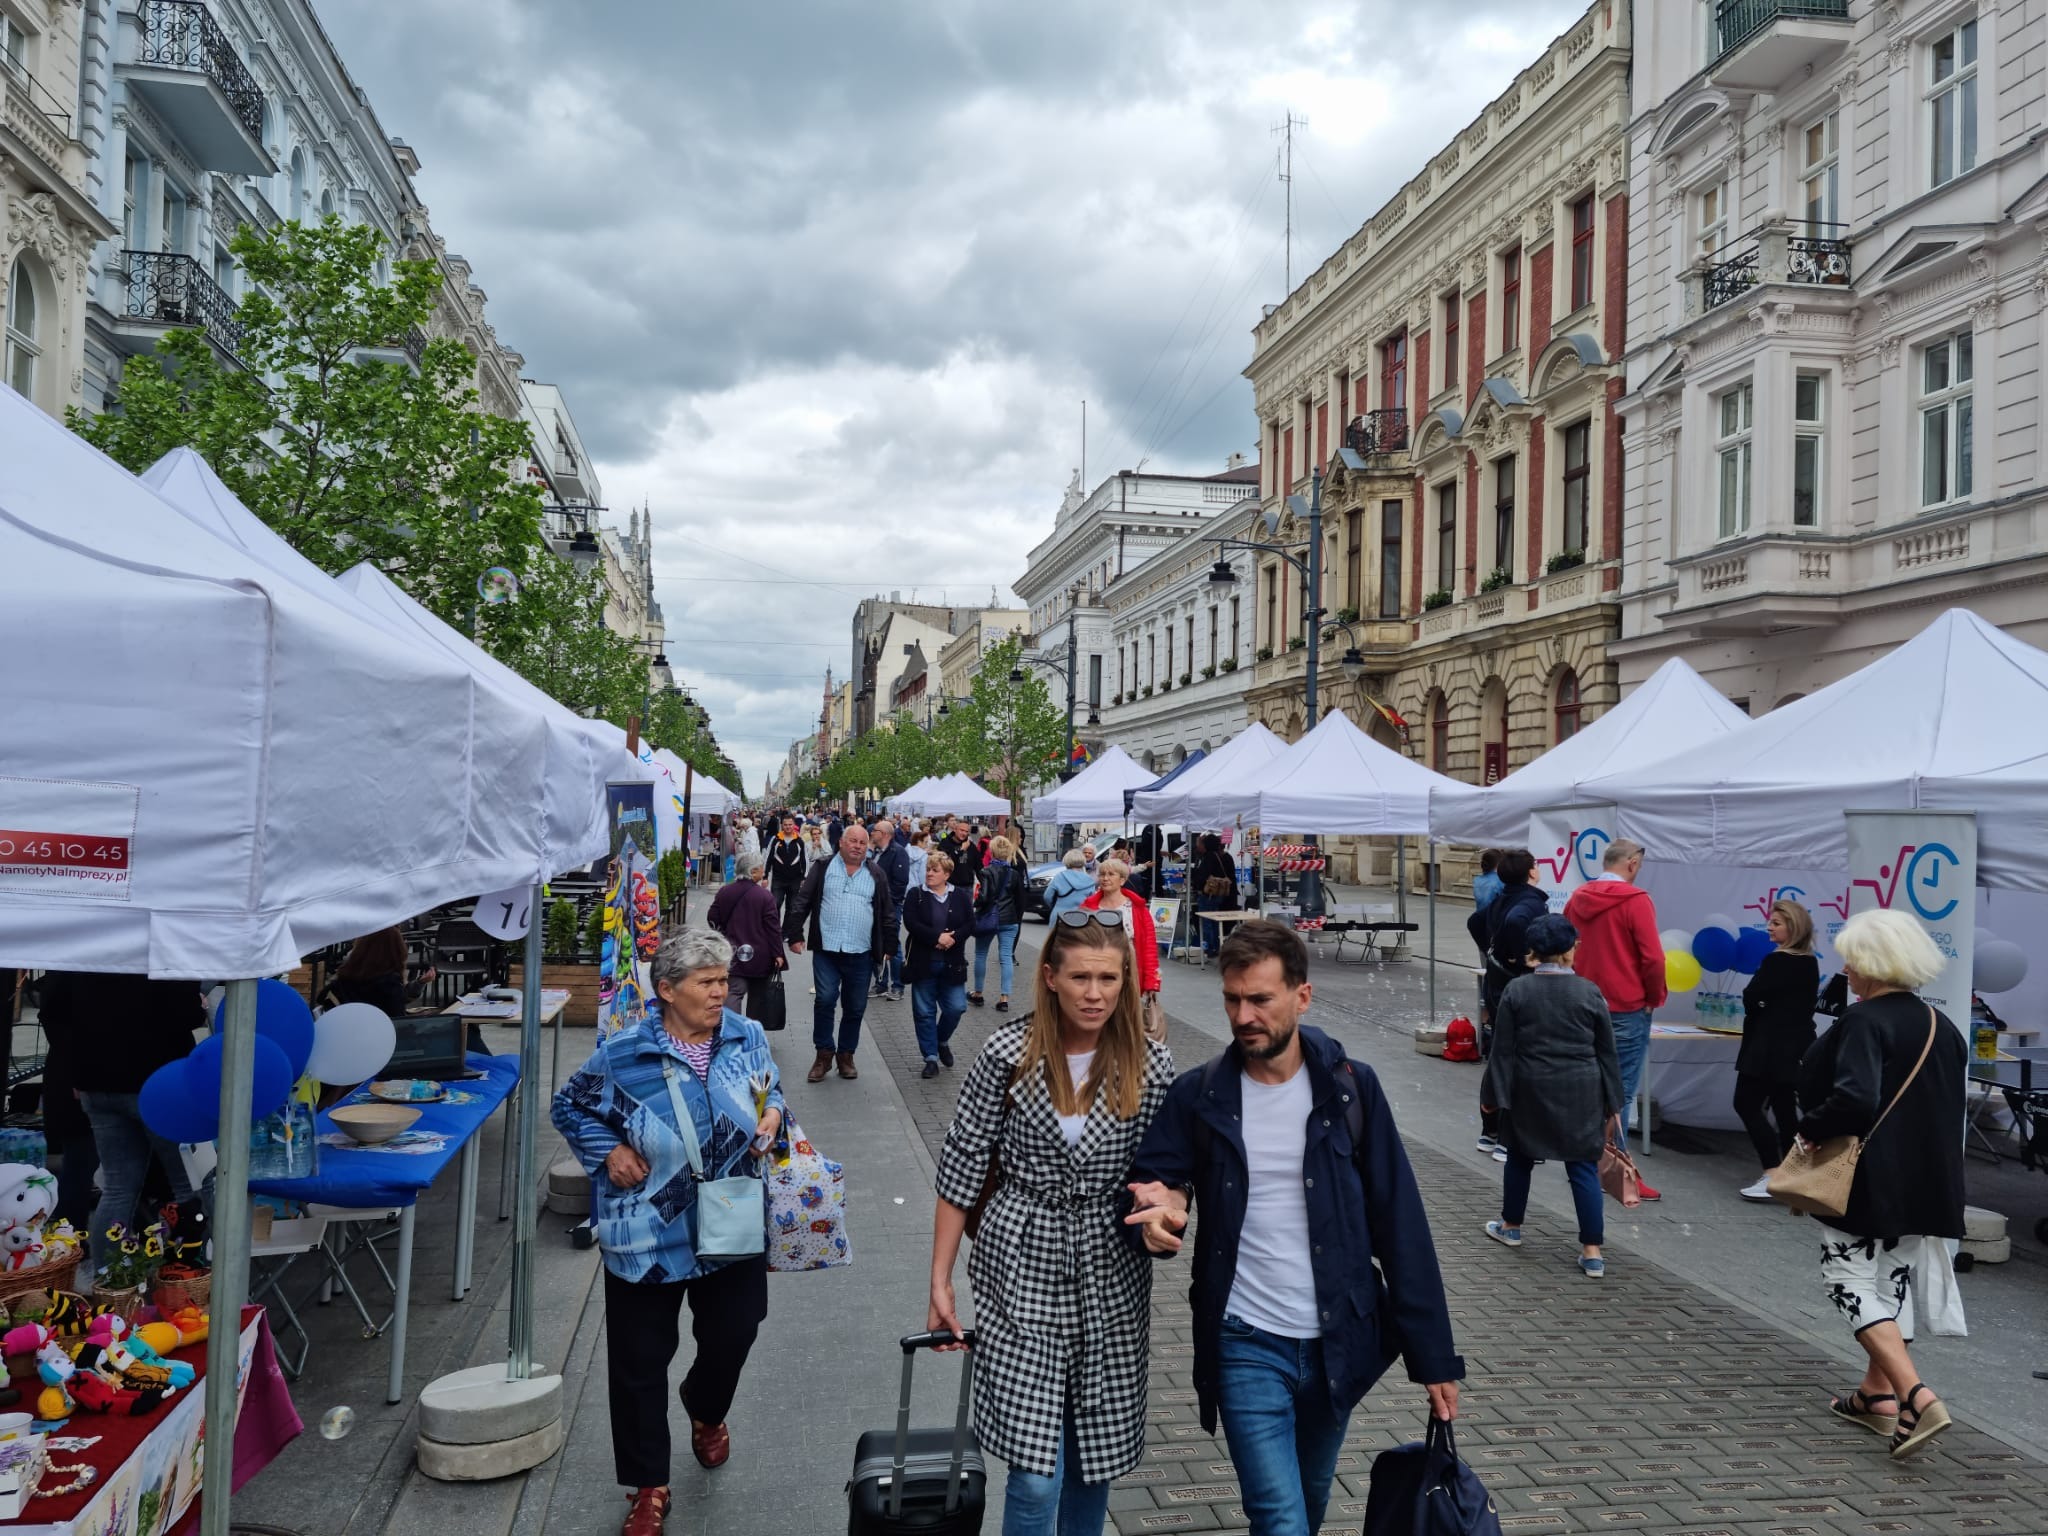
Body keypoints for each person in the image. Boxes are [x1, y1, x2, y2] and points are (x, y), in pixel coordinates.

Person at [1123, 920, 1462, 1535]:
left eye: (1260, 999)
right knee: (1279, 1519)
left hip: (1339, 1341)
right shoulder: (1200, 1094)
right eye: (1232, 999)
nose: (1243, 1014)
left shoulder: (1352, 1090)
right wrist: (1160, 1209)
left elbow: (1399, 1222)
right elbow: (1158, 1179)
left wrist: (1434, 1356)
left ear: (1301, 998)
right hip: (1244, 1339)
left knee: (1307, 1508)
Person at [928, 911, 1175, 1536]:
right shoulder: (1006, 1052)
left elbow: (1172, 1172)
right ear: (1050, 977)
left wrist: (1166, 1208)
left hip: (1111, 1269)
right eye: (1081, 978)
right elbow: (962, 1163)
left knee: (1093, 1462)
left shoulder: (1152, 1064)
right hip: (1019, 1261)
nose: (1095, 994)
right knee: (1037, 1475)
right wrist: (940, 1278)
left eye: (1109, 979)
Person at [551, 930, 785, 1531]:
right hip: (647, 1232)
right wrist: (607, 1151)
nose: (721, 992)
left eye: (723, 980)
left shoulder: (746, 1034)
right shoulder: (624, 1053)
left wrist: (775, 1112)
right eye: (706, 983)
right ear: (666, 990)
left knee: (735, 1332)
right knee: (638, 1363)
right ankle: (649, 1485)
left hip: (730, 1220)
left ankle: (705, 1409)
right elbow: (569, 1105)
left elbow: (770, 1089)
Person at [1799, 909, 1966, 1460]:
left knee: (1846, 1279)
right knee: (1892, 1278)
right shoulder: (1945, 1027)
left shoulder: (1865, 1022)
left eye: (1852, 958)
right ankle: (1876, 1396)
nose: (1845, 969)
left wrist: (1808, 1129)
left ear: (1872, 964)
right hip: (1928, 1180)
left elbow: (1854, 1098)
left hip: (1867, 1179)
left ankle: (1914, 1395)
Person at [1482, 913, 1623, 1279]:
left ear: (1533, 952)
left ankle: (1511, 1226)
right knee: (1582, 1167)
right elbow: (1606, 1051)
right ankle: (1592, 1251)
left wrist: (1493, 1095)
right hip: (1582, 1089)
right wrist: (1614, 1102)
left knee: (1519, 1158)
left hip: (1529, 1087)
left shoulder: (1517, 990)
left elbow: (1503, 1050)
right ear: (1568, 950)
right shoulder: (1589, 991)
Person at [37, 972, 208, 1267]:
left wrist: (76, 1068)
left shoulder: (86, 947)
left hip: (96, 1082)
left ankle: (108, 1280)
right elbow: (184, 1013)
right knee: (187, 1186)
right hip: (157, 1082)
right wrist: (199, 1007)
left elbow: (53, 1011)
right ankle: (189, 1278)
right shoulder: (163, 951)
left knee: (117, 1188)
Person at [1562, 839, 1667, 1157]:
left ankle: (1582, 1156)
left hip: (1581, 1001)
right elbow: (1653, 958)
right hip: (1625, 1005)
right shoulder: (1636, 900)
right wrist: (1653, 997)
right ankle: (1611, 1162)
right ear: (1632, 863)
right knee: (1619, 1088)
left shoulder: (1577, 897)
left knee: (1585, 1082)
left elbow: (1565, 948)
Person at [784, 821, 895, 1082]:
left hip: (861, 951)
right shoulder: (822, 867)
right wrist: (795, 934)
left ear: (867, 847)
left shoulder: (876, 873)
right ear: (841, 843)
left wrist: (889, 946)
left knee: (855, 1006)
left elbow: (887, 912)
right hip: (827, 949)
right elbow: (802, 901)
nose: (857, 846)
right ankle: (823, 1055)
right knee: (825, 999)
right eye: (853, 841)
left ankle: (846, 1055)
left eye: (862, 843)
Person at [1734, 898, 1821, 1201]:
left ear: (1793, 927)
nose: (1769, 928)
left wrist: (1759, 1006)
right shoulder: (1810, 962)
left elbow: (1752, 996)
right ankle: (1795, 1175)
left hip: (1767, 1049)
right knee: (1785, 1110)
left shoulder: (1778, 961)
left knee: (1745, 1103)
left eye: (1776, 923)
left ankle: (1773, 1172)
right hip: (1794, 1048)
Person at [1467, 849, 1549, 1163]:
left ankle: (1491, 1132)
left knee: (1501, 1057)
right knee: (1521, 1061)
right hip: (1519, 990)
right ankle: (1509, 1138)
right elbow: (1514, 925)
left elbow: (1476, 921)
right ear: (1529, 872)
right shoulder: (1528, 903)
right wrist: (1519, 961)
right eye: (1537, 864)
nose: (1539, 867)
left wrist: (1493, 953)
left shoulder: (1504, 897)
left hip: (1500, 988)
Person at [904, 851, 975, 1077]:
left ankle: (941, 1040)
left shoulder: (961, 897)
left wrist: (953, 938)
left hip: (952, 963)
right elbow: (911, 923)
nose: (929, 874)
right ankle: (930, 1058)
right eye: (928, 869)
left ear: (947, 874)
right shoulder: (916, 895)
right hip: (923, 963)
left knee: (956, 1007)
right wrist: (937, 937)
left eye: (935, 870)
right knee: (924, 1012)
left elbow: (970, 923)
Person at [1081, 857, 1162, 1037]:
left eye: (1111, 874)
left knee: (1125, 1016)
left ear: (1122, 880)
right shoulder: (1088, 907)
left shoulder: (1137, 908)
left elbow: (1149, 947)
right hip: (1097, 969)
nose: (1105, 878)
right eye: (1102, 874)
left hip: (1129, 969)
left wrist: (1152, 982)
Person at [705, 853, 786, 1019]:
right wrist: (778, 953)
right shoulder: (765, 896)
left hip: (732, 952)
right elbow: (773, 928)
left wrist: (723, 935)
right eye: (762, 868)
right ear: (753, 871)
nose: (764, 871)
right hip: (760, 956)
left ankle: (731, 1031)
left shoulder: (725, 891)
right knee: (757, 997)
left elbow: (712, 917)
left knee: (733, 992)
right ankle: (751, 1034)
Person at [324, 927, 433, 1017]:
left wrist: (420, 983)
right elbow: (398, 1020)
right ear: (396, 952)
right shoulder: (388, 983)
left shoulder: (344, 977)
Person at [970, 834, 1025, 1012]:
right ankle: (1004, 998)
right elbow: (1020, 900)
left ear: (992, 852)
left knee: (980, 954)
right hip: (1009, 920)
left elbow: (984, 897)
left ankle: (978, 993)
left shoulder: (986, 872)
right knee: (1006, 957)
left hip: (988, 917)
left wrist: (976, 904)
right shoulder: (1014, 874)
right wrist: (1016, 918)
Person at [869, 818, 912, 1003]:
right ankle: (881, 983)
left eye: (875, 831)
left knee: (892, 944)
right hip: (872, 904)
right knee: (875, 943)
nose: (872, 833)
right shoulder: (876, 852)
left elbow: (900, 883)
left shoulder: (898, 852)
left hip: (890, 906)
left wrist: (887, 902)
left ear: (884, 834)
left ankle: (897, 985)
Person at [1191, 833, 1239, 958]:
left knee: (1207, 921)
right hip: (1217, 895)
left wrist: (1195, 878)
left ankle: (1211, 947)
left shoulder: (1209, 857)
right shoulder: (1217, 857)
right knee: (1215, 921)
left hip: (1208, 895)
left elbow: (1202, 877)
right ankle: (1217, 946)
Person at [765, 815, 808, 929]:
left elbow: (805, 860)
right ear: (782, 825)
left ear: (794, 825)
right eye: (785, 825)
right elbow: (768, 857)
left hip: (795, 880)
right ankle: (776, 929)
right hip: (778, 879)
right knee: (775, 904)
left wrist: (804, 877)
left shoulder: (800, 841)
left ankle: (785, 931)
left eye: (790, 824)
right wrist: (765, 876)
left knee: (792, 907)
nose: (788, 827)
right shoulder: (775, 839)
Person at [1041, 849, 1096, 924]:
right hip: (1081, 916)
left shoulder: (1059, 877)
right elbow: (1091, 901)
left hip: (1059, 915)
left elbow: (1047, 896)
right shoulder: (1089, 880)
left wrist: (1055, 906)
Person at [1471, 848, 1503, 913]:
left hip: (1479, 916)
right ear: (1498, 864)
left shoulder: (1477, 880)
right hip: (1493, 918)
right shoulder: (1500, 881)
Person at [904, 826, 931, 895]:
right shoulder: (924, 856)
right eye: (926, 842)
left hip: (904, 887)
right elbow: (923, 876)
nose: (927, 845)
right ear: (919, 842)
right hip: (917, 889)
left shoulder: (904, 852)